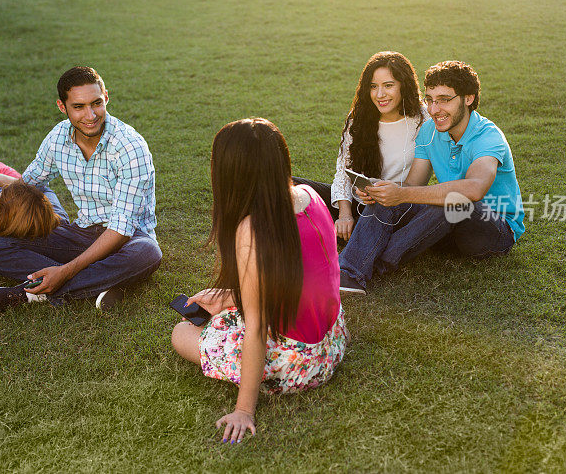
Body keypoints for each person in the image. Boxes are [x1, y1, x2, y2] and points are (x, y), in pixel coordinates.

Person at [171, 118, 349, 443]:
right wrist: (230, 295)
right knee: (217, 308)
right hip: (332, 340)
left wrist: (244, 409)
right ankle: (227, 303)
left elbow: (256, 328)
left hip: (300, 363)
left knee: (182, 332)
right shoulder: (309, 195)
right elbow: (302, 276)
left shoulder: (252, 229)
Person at [0, 66, 162, 313]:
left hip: (128, 239)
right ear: (63, 107)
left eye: (96, 103)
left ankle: (30, 293)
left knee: (148, 253)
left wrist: (64, 271)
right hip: (81, 234)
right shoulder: (58, 138)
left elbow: (121, 229)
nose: (91, 115)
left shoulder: (130, 147)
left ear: (106, 97)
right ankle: (102, 281)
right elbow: (29, 184)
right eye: (79, 107)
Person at [338, 61, 525, 294]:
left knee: (452, 199)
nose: (435, 109)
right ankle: (348, 273)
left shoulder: (488, 136)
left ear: (468, 98)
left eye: (444, 100)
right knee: (389, 194)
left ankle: (374, 260)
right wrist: (382, 190)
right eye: (430, 99)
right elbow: (413, 185)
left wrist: (402, 193)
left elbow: (475, 189)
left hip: (493, 230)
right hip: (449, 230)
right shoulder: (429, 131)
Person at [293, 51, 429, 242]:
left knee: (374, 217)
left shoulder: (424, 119)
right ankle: (342, 227)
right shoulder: (359, 118)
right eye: (373, 87)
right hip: (357, 202)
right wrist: (344, 214)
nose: (380, 95)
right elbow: (343, 171)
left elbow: (417, 185)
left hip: (394, 207)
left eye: (388, 86)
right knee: (287, 184)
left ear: (404, 86)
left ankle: (333, 230)